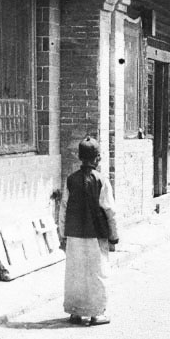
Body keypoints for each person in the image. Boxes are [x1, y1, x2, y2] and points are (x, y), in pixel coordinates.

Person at [58, 136, 119, 326]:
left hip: (74, 234)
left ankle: (75, 312)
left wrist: (62, 234)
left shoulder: (70, 180)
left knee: (75, 274)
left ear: (79, 157)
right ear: (97, 158)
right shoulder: (102, 181)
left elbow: (63, 208)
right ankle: (96, 314)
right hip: (96, 235)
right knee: (97, 273)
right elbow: (110, 211)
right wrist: (114, 236)